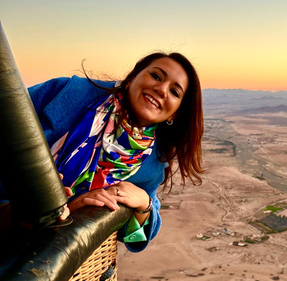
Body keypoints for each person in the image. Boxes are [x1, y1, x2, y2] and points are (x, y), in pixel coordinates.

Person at [2, 52, 203, 252]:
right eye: (156, 76)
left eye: (175, 92)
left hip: (40, 257)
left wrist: (144, 204)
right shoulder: (69, 92)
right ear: (133, 77)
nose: (161, 89)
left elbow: (134, 237)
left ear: (175, 113)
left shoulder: (150, 162)